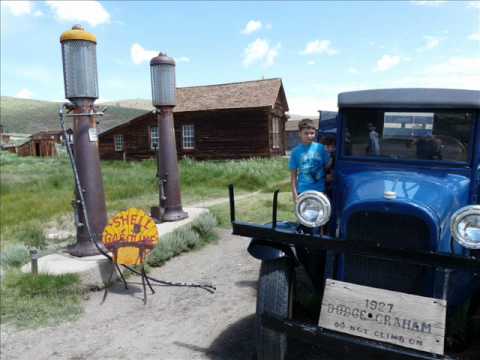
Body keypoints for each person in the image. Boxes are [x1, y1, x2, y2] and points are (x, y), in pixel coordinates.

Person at [289, 119, 332, 202]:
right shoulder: (295, 152)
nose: (309, 136)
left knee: (322, 214)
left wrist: (330, 154)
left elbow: (327, 166)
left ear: (315, 133)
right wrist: (294, 194)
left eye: (312, 133)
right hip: (303, 191)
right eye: (306, 133)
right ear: (299, 134)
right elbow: (293, 176)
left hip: (320, 190)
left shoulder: (321, 148)